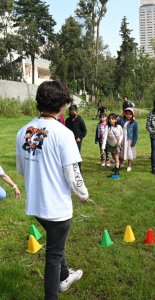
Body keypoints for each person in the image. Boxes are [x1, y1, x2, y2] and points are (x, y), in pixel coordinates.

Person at [16, 81, 89, 300]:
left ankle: (65, 276)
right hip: (56, 208)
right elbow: (73, 173)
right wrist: (83, 193)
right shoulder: (64, 133)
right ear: (61, 105)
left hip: (37, 207)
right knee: (53, 255)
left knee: (56, 244)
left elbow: (21, 169)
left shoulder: (24, 131)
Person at [65, 105, 87, 170]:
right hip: (69, 141)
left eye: (73, 112)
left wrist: (80, 138)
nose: (71, 114)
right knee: (69, 154)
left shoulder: (80, 120)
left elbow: (84, 131)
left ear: (77, 112)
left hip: (78, 141)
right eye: (70, 112)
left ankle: (78, 169)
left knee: (77, 154)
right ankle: (70, 168)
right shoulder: (67, 120)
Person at [119, 107, 138, 172]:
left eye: (130, 114)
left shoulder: (134, 123)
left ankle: (129, 166)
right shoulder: (121, 121)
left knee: (129, 153)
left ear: (132, 115)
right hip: (122, 140)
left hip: (129, 140)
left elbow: (135, 133)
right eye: (127, 114)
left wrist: (134, 142)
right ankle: (121, 164)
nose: (128, 116)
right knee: (121, 152)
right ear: (124, 114)